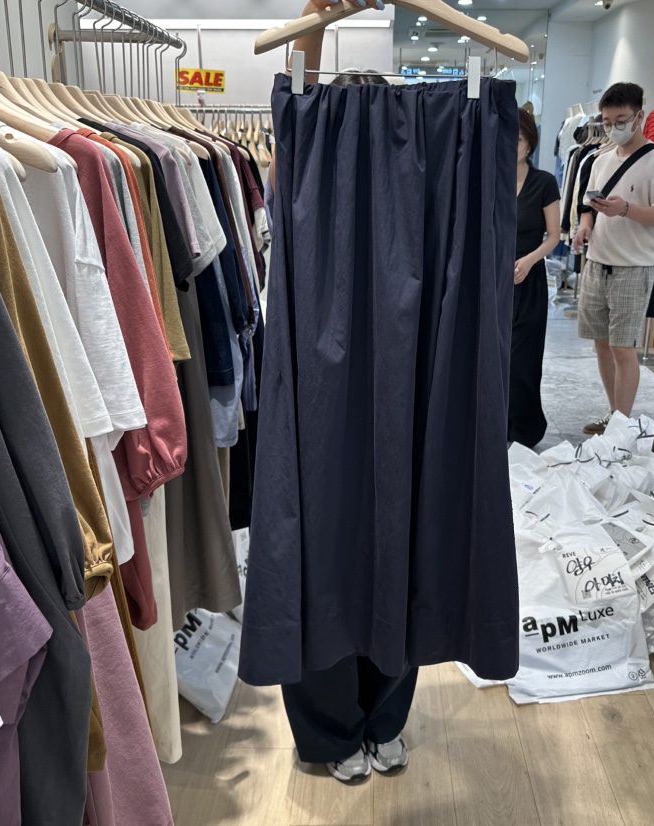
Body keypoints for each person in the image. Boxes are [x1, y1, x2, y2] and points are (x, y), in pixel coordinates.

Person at [271, 0, 416, 787]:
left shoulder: (421, 173)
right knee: (324, 546)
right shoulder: (305, 164)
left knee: (397, 537)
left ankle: (385, 715)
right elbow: (296, 103)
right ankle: (328, 730)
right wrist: (314, 28)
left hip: (400, 369)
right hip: (319, 379)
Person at [574, 82, 654, 435]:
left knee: (623, 348)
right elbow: (588, 206)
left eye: (620, 121)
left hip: (634, 266)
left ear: (639, 116)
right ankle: (614, 415)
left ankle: (621, 426)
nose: (613, 128)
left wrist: (626, 209)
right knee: (602, 345)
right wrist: (585, 225)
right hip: (597, 262)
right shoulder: (601, 160)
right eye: (607, 122)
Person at [510, 108, 561, 447]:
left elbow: (554, 237)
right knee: (495, 357)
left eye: (517, 139)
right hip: (493, 282)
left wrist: (529, 261)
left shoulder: (544, 182)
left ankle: (525, 429)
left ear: (530, 142)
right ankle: (495, 423)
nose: (510, 145)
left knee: (524, 359)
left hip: (528, 281)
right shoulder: (490, 178)